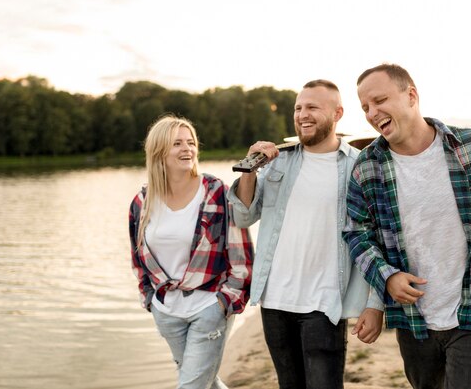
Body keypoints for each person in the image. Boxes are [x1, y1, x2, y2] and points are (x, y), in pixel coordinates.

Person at [343, 63, 471, 389]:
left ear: (411, 95)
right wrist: (386, 276)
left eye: (379, 100)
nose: (371, 112)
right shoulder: (367, 166)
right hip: (412, 319)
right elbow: (355, 232)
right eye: (365, 107)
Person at [227, 79, 384, 389]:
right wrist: (249, 171)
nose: (302, 114)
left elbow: (377, 237)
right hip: (275, 301)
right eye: (298, 108)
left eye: (312, 107)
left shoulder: (358, 166)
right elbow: (243, 216)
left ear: (337, 113)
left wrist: (375, 303)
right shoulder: (278, 162)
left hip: (324, 303)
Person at [129, 115, 253, 389]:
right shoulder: (142, 202)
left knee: (192, 384)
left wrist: (225, 301)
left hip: (208, 307)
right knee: (204, 380)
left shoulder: (215, 191)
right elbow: (138, 260)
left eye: (191, 142)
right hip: (167, 311)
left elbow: (240, 252)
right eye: (177, 143)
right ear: (159, 151)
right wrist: (150, 298)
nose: (187, 149)